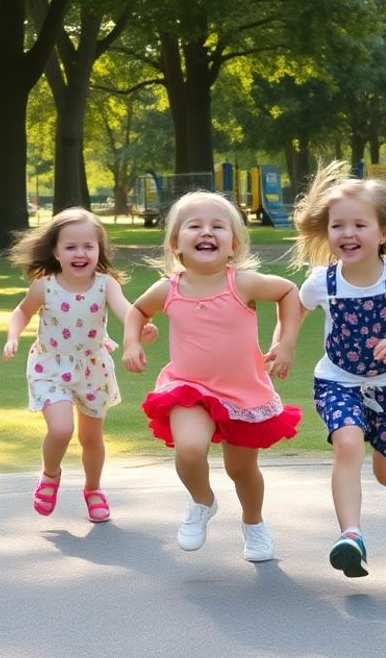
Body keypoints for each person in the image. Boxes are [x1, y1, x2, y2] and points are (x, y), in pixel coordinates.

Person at [123, 192, 302, 563]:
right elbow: (137, 311)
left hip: (242, 393)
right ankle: (202, 501)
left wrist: (284, 344)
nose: (207, 232)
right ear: (176, 245)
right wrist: (131, 344)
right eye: (195, 226)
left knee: (242, 469)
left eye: (218, 226)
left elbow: (288, 292)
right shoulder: (167, 289)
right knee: (189, 449)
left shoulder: (244, 283)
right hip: (188, 389)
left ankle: (253, 523)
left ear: (233, 245)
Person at [292, 160, 386, 578]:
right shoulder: (322, 281)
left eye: (359, 224)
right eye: (338, 226)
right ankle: (351, 535)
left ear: (384, 232)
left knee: (385, 468)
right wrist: (282, 345)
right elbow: (294, 311)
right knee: (348, 445)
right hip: (338, 380)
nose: (348, 234)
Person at [3, 207, 157, 522]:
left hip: (92, 368)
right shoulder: (44, 285)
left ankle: (94, 489)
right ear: (56, 252)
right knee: (61, 429)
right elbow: (21, 312)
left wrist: (139, 328)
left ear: (99, 251)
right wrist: (13, 337)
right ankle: (50, 474)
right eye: (70, 246)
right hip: (50, 366)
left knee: (91, 438)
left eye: (88, 246)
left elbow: (126, 310)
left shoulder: (106, 284)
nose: (80, 253)